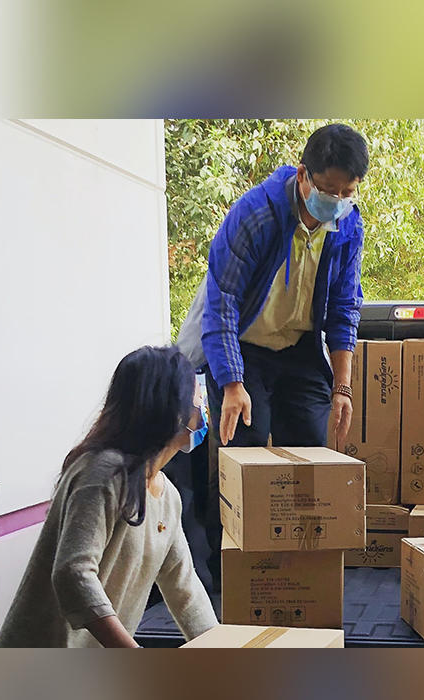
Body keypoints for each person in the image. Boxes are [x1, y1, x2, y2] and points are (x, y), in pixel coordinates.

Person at [172, 123, 369, 591]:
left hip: (300, 350)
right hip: (244, 349)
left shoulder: (347, 225)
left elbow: (345, 308)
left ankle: (304, 576)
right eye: (328, 190)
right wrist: (233, 384)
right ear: (303, 176)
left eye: (348, 192)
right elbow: (221, 303)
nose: (336, 202)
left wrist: (342, 386)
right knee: (243, 453)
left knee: (310, 454)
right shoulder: (256, 215)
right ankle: (232, 584)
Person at [0, 346, 217, 647]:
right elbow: (73, 573)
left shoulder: (167, 497)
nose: (203, 406)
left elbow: (185, 590)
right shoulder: (102, 474)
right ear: (170, 408)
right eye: (197, 397)